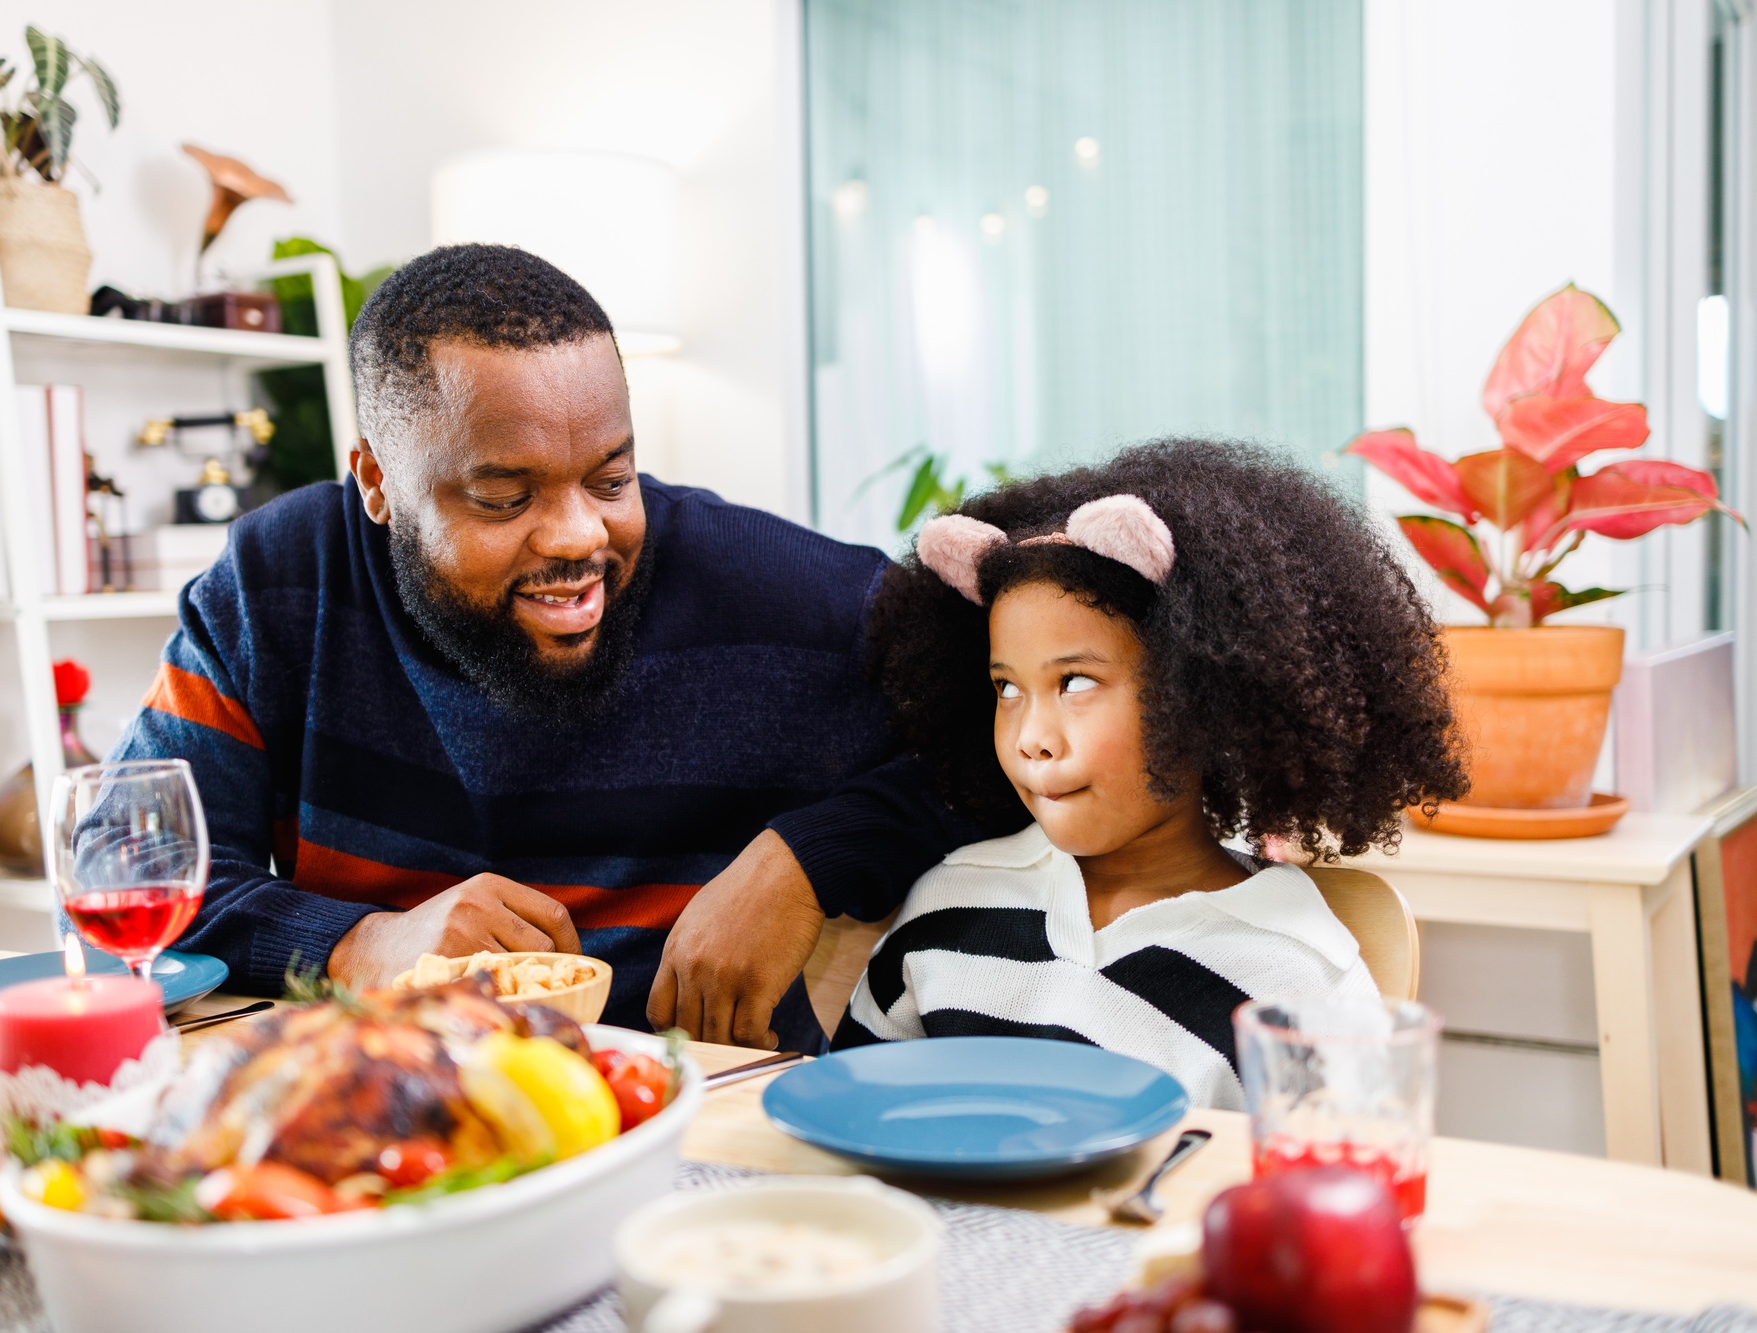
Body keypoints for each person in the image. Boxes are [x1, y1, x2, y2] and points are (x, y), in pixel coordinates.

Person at [107, 244, 982, 1054]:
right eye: (504, 496)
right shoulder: (280, 584)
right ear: (376, 480)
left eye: (611, 478)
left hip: (693, 1119)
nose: (577, 536)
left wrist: (802, 862)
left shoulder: (772, 588)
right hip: (384, 1119)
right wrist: (361, 944)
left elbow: (1026, 722)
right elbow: (121, 878)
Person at [834, 440, 1469, 1108]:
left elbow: (1339, 1191)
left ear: (1200, 694)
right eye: (1007, 688)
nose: (1031, 738)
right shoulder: (949, 905)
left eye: (1075, 681)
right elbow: (846, 1116)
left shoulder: (1299, 977)